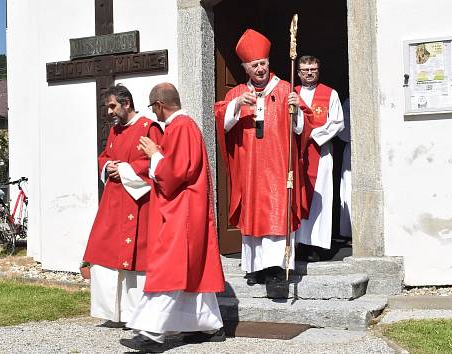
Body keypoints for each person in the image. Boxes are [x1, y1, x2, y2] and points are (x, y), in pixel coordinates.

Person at [121, 83, 225, 352]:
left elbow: (176, 173)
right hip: (187, 207)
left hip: (183, 210)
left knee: (170, 268)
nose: (153, 112)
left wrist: (155, 155)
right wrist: (158, 154)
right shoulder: (182, 127)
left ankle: (152, 330)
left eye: (152, 106)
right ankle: (207, 324)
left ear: (159, 105)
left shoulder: (181, 127)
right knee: (193, 269)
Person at [214, 29, 310, 285]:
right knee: (253, 213)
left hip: (278, 164)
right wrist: (235, 105)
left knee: (277, 209)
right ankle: (255, 267)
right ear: (245, 68)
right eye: (254, 65)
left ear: (269, 63)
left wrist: (296, 108)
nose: (260, 68)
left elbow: (301, 128)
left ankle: (277, 267)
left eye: (263, 63)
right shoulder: (236, 94)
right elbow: (222, 125)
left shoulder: (286, 88)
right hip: (250, 167)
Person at [82, 84, 163, 325]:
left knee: (137, 257)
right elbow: (105, 156)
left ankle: (135, 313)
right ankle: (112, 313)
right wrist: (108, 167)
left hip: (139, 203)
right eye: (108, 107)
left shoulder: (150, 128)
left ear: (126, 103)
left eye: (112, 106)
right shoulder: (115, 131)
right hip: (113, 202)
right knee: (104, 251)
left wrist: (125, 169)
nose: (109, 112)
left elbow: (158, 163)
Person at [293, 55, 344, 261]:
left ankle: (315, 245)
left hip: (321, 153)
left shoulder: (330, 94)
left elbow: (338, 122)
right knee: (298, 197)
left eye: (313, 69)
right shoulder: (291, 93)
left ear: (318, 70)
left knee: (320, 197)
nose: (309, 73)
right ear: (298, 72)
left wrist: (314, 135)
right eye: (305, 69)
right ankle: (298, 244)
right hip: (297, 153)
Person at [338, 98, 352, 238]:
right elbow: (343, 130)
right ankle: (350, 232)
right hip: (352, 147)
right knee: (349, 189)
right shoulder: (348, 103)